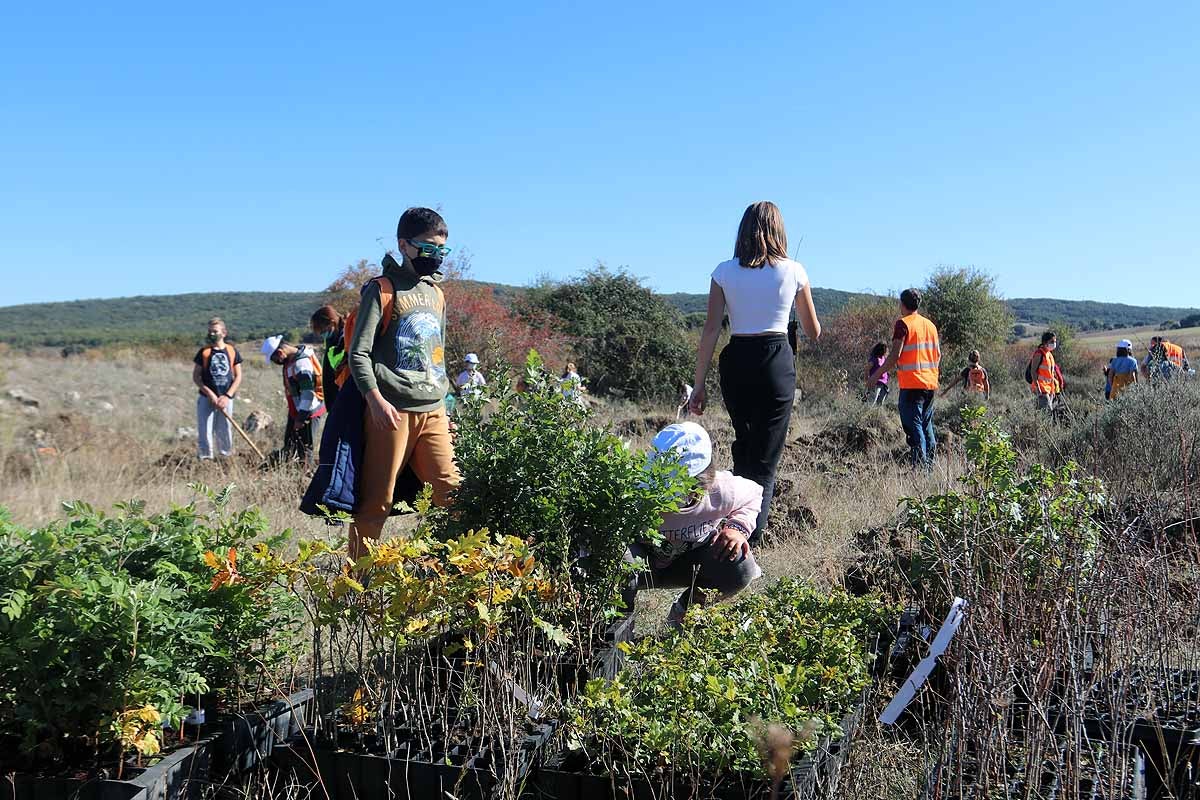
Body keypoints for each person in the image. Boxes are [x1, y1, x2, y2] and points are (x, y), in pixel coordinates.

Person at [690, 201, 821, 545]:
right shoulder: (795, 270)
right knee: (765, 457)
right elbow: (813, 330)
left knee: (745, 447)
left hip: (736, 361)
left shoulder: (723, 272)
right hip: (776, 360)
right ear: (780, 230)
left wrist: (698, 384)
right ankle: (746, 536)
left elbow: (710, 331)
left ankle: (731, 523)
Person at [347, 207, 460, 559]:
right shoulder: (381, 290)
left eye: (441, 249)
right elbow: (358, 354)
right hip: (391, 412)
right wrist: (375, 401)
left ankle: (454, 572)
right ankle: (357, 586)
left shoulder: (436, 294)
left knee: (451, 492)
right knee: (377, 502)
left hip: (433, 409)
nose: (435, 255)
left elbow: (438, 353)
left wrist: (448, 405)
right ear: (403, 245)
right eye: (427, 247)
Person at [623, 422, 762, 625]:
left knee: (740, 564)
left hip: (689, 564)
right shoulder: (636, 490)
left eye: (676, 488)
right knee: (616, 557)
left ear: (700, 485)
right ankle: (617, 627)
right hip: (641, 566)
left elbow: (753, 494)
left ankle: (683, 617)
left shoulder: (721, 491)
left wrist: (737, 528)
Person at [867, 289, 941, 468]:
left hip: (912, 385)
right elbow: (937, 355)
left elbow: (894, 355)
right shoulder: (930, 325)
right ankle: (929, 468)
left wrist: (875, 375)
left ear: (903, 304)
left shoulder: (902, 324)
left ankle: (920, 470)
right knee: (925, 425)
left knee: (914, 428)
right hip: (930, 385)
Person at [262, 335, 327, 466]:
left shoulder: (301, 364)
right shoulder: (291, 359)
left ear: (280, 352)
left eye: (275, 359)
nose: (276, 362)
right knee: (290, 443)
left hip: (308, 412)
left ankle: (304, 477)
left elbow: (308, 394)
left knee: (305, 448)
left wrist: (301, 418)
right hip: (298, 410)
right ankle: (284, 467)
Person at [192, 317, 243, 460]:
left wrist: (227, 396)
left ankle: (225, 458)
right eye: (210, 331)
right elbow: (196, 377)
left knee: (224, 429)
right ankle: (205, 459)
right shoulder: (204, 352)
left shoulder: (232, 351)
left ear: (224, 333)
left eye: (215, 331)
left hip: (226, 399)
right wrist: (210, 394)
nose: (212, 334)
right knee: (205, 430)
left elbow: (238, 376)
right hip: (206, 398)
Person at [310, 305, 346, 410]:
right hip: (333, 397)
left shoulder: (345, 339)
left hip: (342, 394)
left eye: (322, 330)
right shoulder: (331, 340)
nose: (322, 334)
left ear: (332, 322)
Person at [1028, 331, 1061, 412]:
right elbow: (1033, 371)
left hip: (1050, 389)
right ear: (1045, 342)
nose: (1054, 344)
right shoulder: (1039, 354)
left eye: (1055, 341)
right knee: (1047, 413)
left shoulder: (1049, 354)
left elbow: (1051, 374)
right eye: (1052, 342)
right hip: (1041, 389)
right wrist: (1038, 388)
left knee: (1046, 412)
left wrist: (1054, 389)